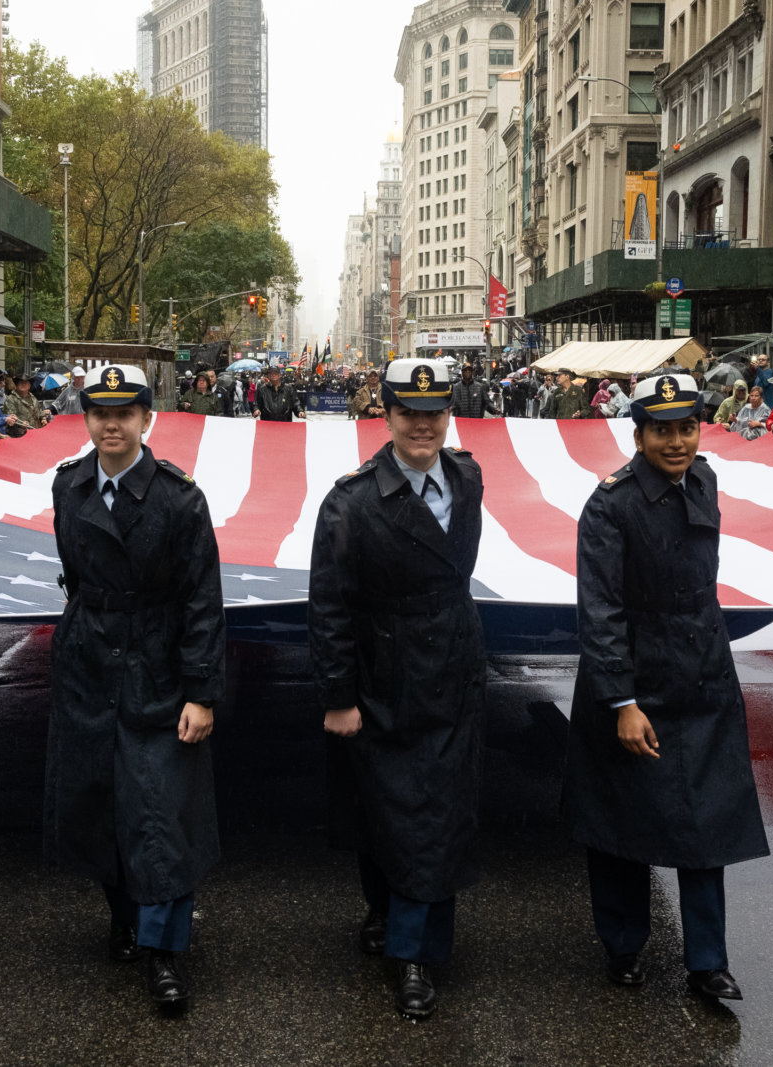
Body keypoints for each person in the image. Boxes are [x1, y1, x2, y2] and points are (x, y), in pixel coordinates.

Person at [564, 372, 769, 1001]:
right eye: (663, 431)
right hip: (633, 679)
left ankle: (708, 962)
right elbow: (600, 611)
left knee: (706, 823)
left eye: (687, 428)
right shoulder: (610, 505)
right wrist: (621, 702)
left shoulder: (704, 479)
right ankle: (623, 946)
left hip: (702, 675)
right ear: (639, 433)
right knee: (623, 825)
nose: (677, 442)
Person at [308, 358, 485, 1021]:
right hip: (387, 679)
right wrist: (338, 695)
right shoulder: (351, 502)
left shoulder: (468, 477)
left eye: (434, 411)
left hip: (456, 672)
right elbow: (328, 606)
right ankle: (404, 944)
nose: (422, 424)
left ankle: (414, 946)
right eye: (409, 412)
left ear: (447, 414)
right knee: (397, 817)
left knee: (438, 815)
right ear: (385, 415)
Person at [46, 364, 224, 1014]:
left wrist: (202, 692)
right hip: (90, 667)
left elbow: (203, 601)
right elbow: (75, 574)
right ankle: (124, 916)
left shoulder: (179, 499)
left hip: (158, 669)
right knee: (97, 805)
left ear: (148, 418)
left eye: (126, 413)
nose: (112, 424)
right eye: (100, 412)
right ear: (87, 417)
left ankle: (164, 951)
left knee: (160, 814)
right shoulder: (68, 485)